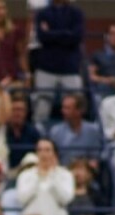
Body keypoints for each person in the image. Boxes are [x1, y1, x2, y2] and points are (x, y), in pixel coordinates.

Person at [31, 0, 86, 128]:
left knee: (75, 103)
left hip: (70, 68)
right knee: (42, 104)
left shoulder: (76, 13)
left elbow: (77, 36)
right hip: (46, 67)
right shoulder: (42, 13)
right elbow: (41, 37)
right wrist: (65, 34)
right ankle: (39, 135)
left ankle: (72, 134)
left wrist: (52, 33)